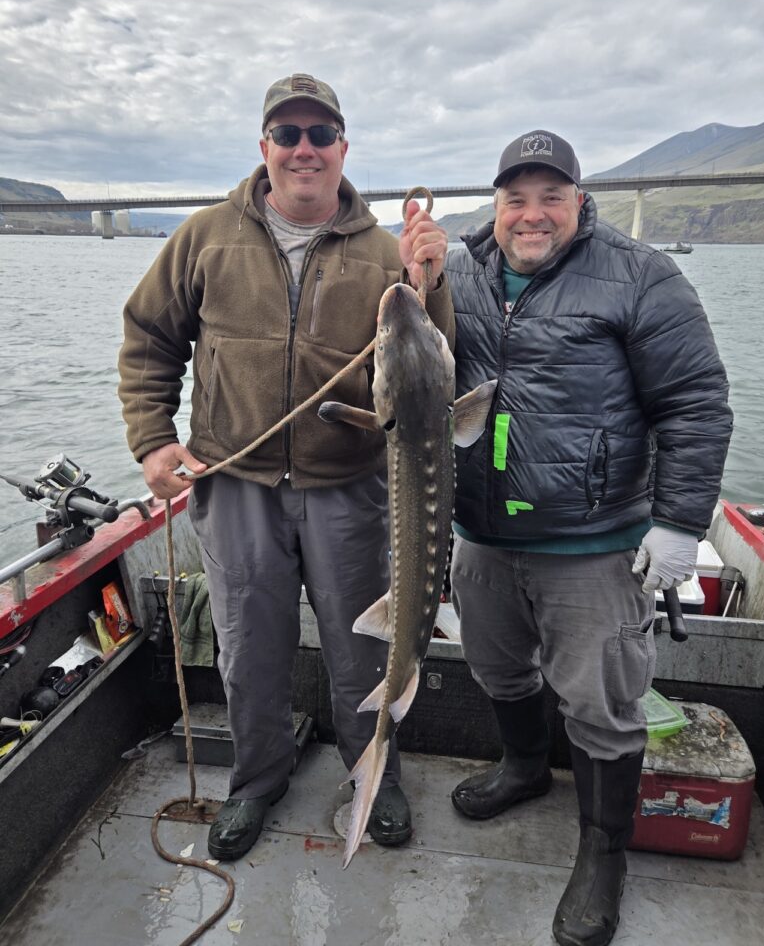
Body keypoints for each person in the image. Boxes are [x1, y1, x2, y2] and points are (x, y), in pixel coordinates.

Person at [117, 73, 453, 862]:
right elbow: (148, 338)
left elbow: (437, 372)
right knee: (247, 647)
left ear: (344, 147)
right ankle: (256, 782)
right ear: (264, 147)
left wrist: (429, 285)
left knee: (364, 647)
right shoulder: (204, 237)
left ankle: (377, 770)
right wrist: (151, 439)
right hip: (236, 487)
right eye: (288, 134)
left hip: (352, 489)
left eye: (320, 134)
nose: (305, 149)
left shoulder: (384, 251)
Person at [444, 130, 731, 946]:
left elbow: (697, 404)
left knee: (603, 704)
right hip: (483, 533)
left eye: (551, 197)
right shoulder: (458, 271)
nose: (531, 215)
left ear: (579, 198)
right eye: (515, 198)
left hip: (595, 543)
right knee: (496, 666)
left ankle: (604, 853)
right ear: (495, 202)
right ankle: (527, 767)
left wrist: (679, 521)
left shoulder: (643, 274)